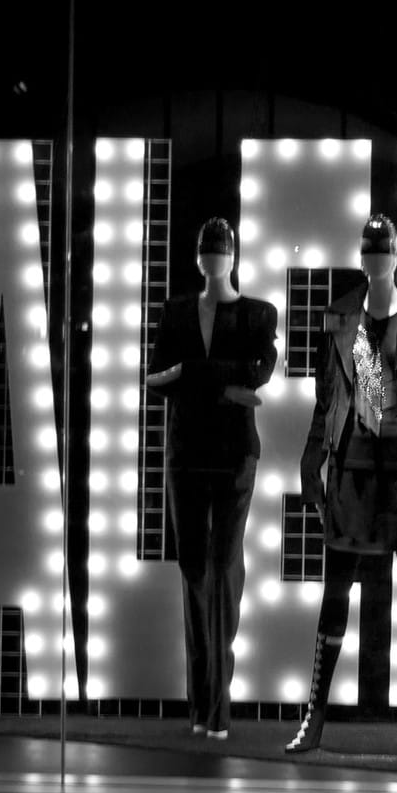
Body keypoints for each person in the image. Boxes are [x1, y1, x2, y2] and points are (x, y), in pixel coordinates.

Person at [288, 214, 397, 756]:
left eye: (384, 253)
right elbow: (326, 399)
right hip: (350, 469)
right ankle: (314, 717)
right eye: (371, 253)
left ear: (396, 257)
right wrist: (311, 466)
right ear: (364, 259)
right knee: (336, 592)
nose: (377, 261)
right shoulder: (340, 318)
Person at [144, 218, 278, 739]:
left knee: (222, 571)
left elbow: (259, 370)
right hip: (187, 453)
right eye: (209, 249)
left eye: (222, 249)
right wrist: (227, 384)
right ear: (201, 257)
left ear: (234, 255)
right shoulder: (178, 312)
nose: (215, 256)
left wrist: (194, 377)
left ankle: (213, 705)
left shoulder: (257, 314)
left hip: (232, 456)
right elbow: (158, 375)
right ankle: (203, 702)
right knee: (196, 571)